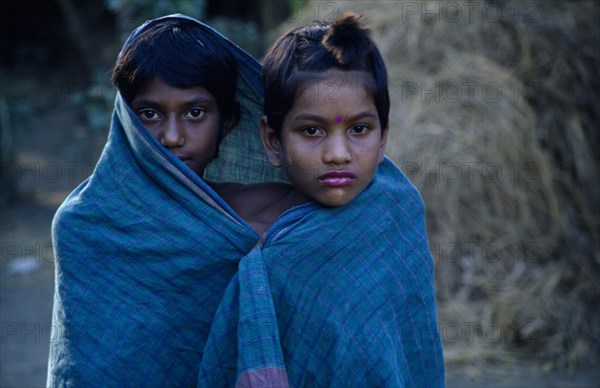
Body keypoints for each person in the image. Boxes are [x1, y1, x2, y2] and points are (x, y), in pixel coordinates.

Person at [197, 12, 445, 387]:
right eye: (312, 130)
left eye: (359, 129)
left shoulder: (396, 215)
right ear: (272, 140)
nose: (338, 153)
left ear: (383, 137)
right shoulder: (252, 239)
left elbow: (410, 344)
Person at [46, 14, 287, 386]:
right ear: (126, 120)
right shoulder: (86, 224)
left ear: (227, 122)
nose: (172, 137)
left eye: (195, 113)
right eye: (149, 113)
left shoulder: (270, 212)